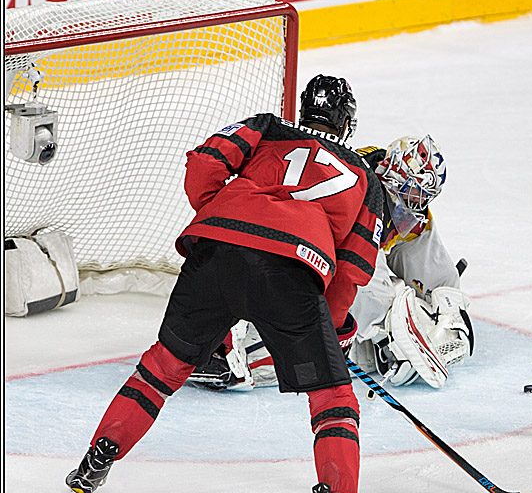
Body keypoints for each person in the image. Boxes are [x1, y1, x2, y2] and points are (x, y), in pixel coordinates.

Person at [64, 75, 398, 493]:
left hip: (215, 250)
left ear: (303, 109)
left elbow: (204, 162)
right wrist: (330, 333)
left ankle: (96, 460)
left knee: (161, 369)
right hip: (290, 270)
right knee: (332, 395)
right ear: (347, 123)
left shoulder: (266, 127)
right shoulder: (369, 182)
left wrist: (221, 214)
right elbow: (350, 273)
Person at [188, 124, 472, 391]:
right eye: (410, 192)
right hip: (288, 250)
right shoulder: (364, 188)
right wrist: (389, 330)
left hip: (271, 244)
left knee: (408, 294)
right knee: (335, 318)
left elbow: (431, 267)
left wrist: (449, 311)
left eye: (421, 197)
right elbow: (361, 277)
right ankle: (228, 352)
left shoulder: (395, 191)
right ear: (392, 173)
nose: (414, 202)